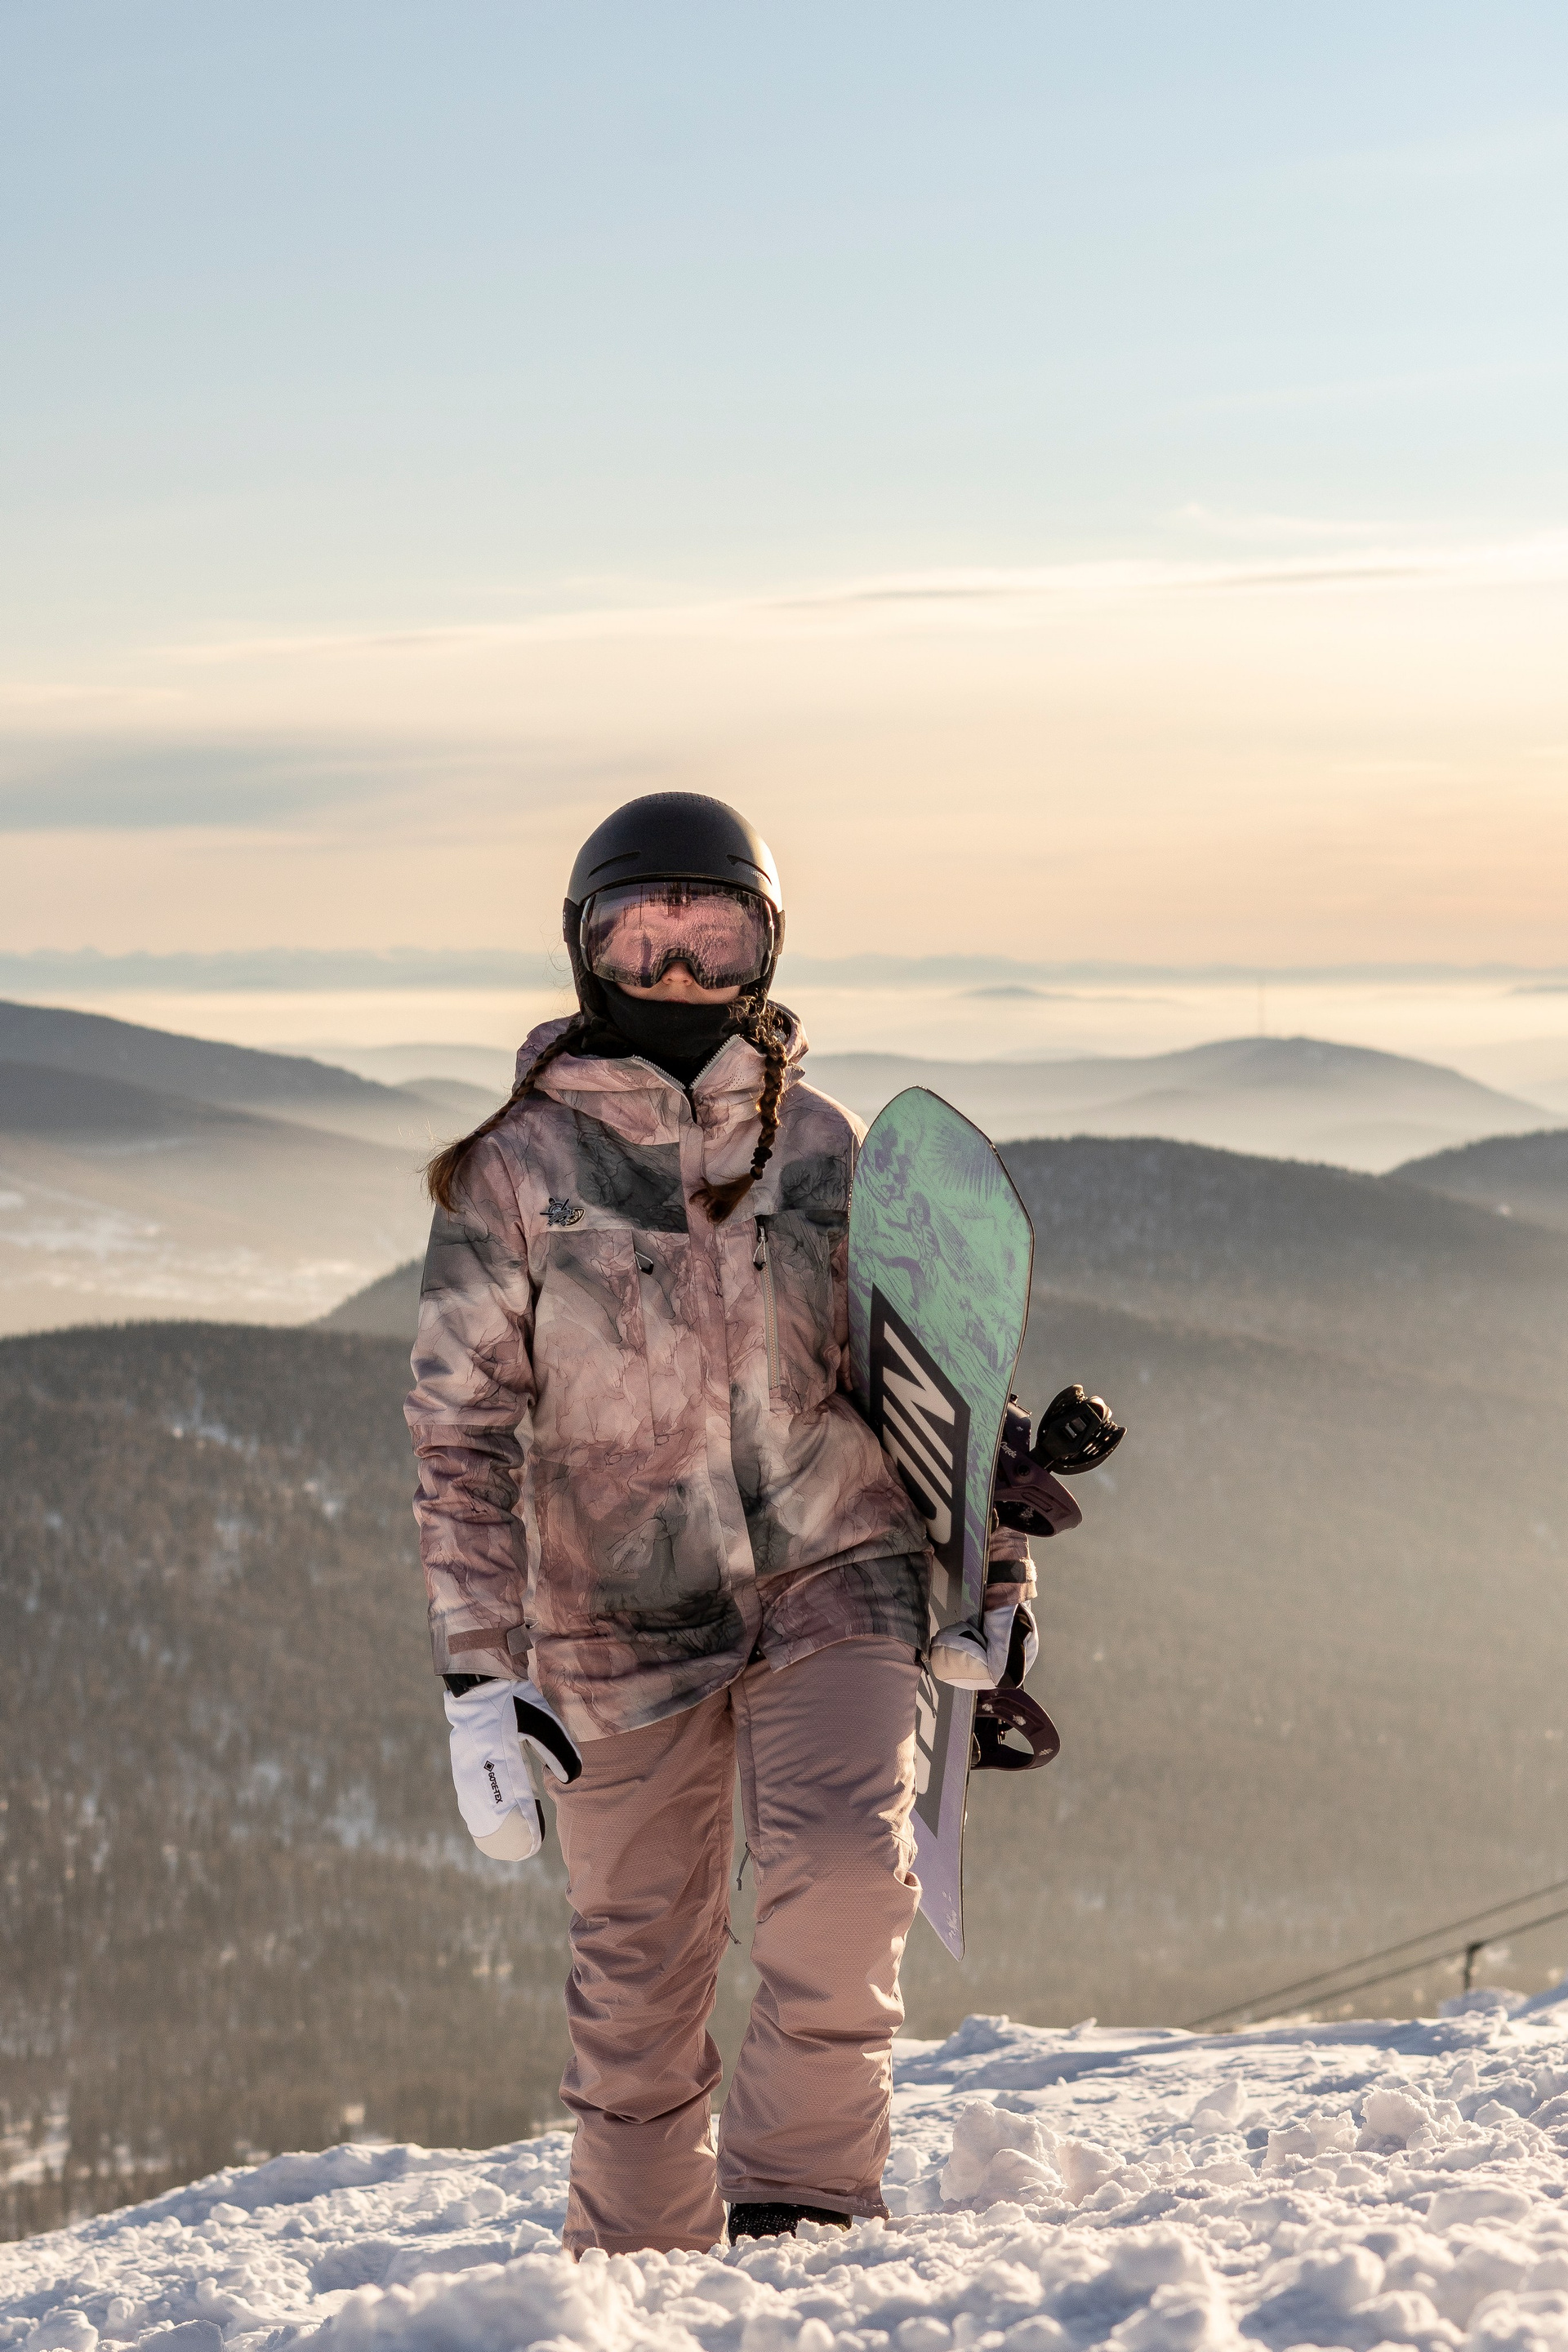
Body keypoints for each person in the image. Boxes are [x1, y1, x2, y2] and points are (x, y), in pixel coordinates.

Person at [404, 792, 1044, 2257]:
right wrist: (477, 1673)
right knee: (637, 1972)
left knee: (844, 1880)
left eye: (717, 939)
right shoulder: (518, 1169)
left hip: (838, 1568)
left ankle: (802, 2212)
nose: (682, 972)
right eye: (647, 937)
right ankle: (640, 2274)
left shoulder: (825, 1146)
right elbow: (460, 1428)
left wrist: (995, 1573)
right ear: (586, 950)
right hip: (616, 1616)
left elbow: (932, 1371)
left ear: (768, 947)